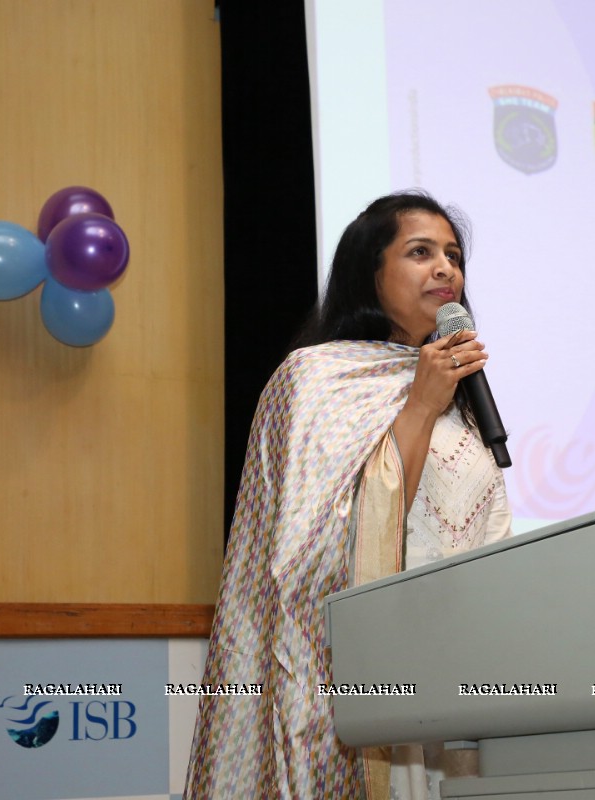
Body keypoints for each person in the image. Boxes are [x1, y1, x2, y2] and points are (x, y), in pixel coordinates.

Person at [185, 191, 513, 799]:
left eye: (453, 255)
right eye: (420, 252)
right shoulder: (314, 377)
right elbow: (315, 550)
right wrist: (420, 404)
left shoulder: (464, 401)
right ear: (371, 274)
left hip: (459, 676)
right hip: (361, 681)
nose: (446, 268)